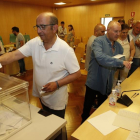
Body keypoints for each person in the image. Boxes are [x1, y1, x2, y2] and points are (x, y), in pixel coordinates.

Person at [0, 12, 81, 119]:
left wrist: (57, 84)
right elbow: (13, 55)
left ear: (54, 28)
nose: (38, 31)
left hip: (56, 101)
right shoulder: (34, 43)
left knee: (57, 129)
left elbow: (76, 73)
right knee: (46, 123)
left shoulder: (65, 50)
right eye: (37, 27)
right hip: (41, 95)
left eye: (42, 27)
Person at [81, 21, 131, 123]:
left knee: (101, 108)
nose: (118, 34)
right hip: (94, 81)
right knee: (87, 107)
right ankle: (82, 126)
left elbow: (118, 64)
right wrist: (120, 62)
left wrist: (123, 64)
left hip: (107, 83)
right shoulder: (98, 41)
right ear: (108, 30)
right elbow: (100, 58)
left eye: (119, 31)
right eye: (115, 31)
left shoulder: (119, 47)